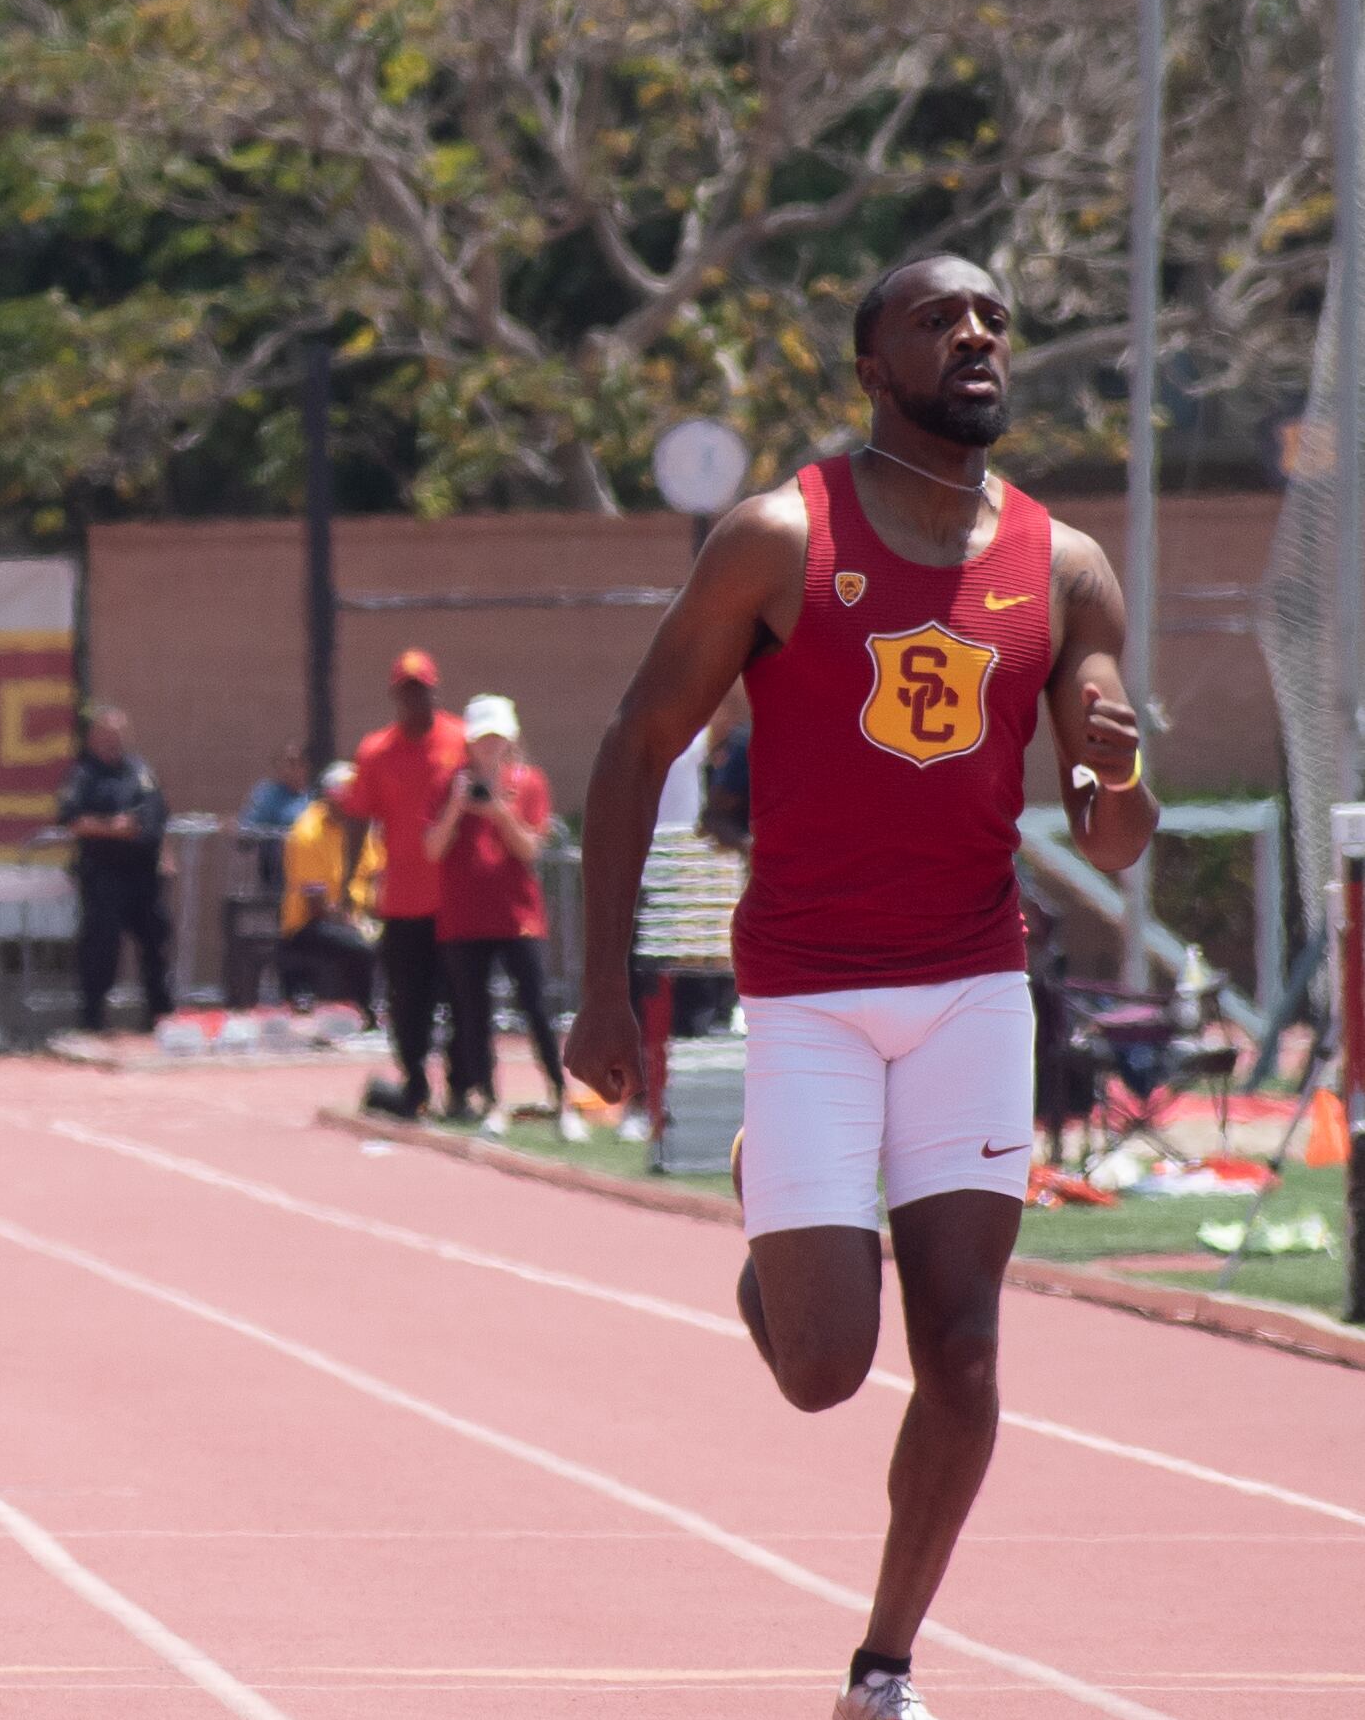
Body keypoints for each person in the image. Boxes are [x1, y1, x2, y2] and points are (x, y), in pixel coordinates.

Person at [566, 255, 1150, 1720]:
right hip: (811, 991)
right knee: (826, 1367)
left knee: (958, 1347)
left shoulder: (1062, 563)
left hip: (967, 982)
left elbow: (1115, 835)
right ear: (869, 366)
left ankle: (881, 1662)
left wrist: (1115, 756)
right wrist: (594, 984)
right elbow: (636, 741)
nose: (972, 335)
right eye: (934, 318)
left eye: (989, 319)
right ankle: (782, 1221)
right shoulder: (778, 535)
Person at [340, 648, 469, 1117]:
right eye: (406, 692)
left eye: (422, 690)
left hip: (455, 899)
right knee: (408, 1003)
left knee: (461, 1000)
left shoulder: (461, 740)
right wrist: (347, 881)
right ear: (395, 695)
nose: (415, 700)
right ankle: (414, 1083)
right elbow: (358, 818)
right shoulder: (376, 751)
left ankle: (461, 1086)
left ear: (433, 691)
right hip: (402, 901)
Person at [429, 694, 565, 1129]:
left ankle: (560, 1096)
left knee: (536, 1007)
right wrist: (457, 806)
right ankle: (490, 1100)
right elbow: (431, 848)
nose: (489, 747)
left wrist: (499, 810)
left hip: (518, 917)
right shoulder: (447, 783)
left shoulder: (529, 782)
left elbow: (529, 848)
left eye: (497, 738)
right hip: (464, 919)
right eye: (481, 739)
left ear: (509, 740)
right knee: (472, 1013)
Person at [46, 701, 170, 1032]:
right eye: (107, 733)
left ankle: (159, 1018)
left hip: (143, 873)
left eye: (118, 733)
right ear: (93, 737)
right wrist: (113, 828)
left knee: (156, 946)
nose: (113, 740)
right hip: (103, 873)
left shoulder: (139, 771)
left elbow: (156, 812)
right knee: (101, 947)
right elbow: (71, 818)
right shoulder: (83, 774)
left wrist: (160, 849)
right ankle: (92, 1020)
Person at [274, 760, 376, 1014]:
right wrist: (355, 923)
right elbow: (316, 903)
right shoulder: (307, 832)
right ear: (331, 797)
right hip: (311, 924)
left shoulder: (360, 829)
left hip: (358, 916)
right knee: (361, 946)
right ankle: (364, 1012)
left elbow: (377, 875)